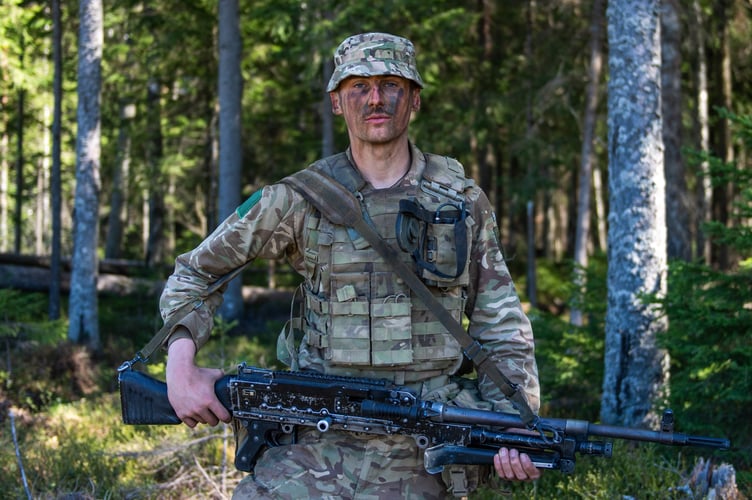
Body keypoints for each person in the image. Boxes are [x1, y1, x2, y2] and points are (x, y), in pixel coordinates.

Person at [162, 32, 541, 499]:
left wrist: (516, 421)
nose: (376, 98)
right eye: (359, 86)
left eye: (391, 84)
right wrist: (180, 366)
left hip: (425, 444)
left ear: (414, 99)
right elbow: (194, 273)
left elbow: (500, 322)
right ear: (338, 102)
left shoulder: (462, 202)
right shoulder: (299, 199)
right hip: (315, 443)